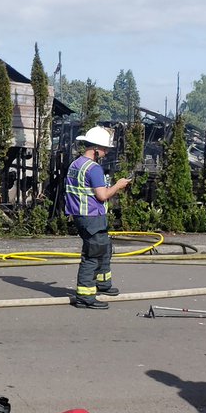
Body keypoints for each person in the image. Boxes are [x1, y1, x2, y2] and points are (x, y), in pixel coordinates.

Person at [66, 125, 130, 310]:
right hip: (91, 216)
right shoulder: (93, 169)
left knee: (104, 248)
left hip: (81, 215)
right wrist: (118, 185)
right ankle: (85, 296)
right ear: (95, 149)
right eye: (104, 149)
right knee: (93, 254)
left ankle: (103, 284)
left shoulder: (75, 164)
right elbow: (102, 195)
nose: (107, 152)